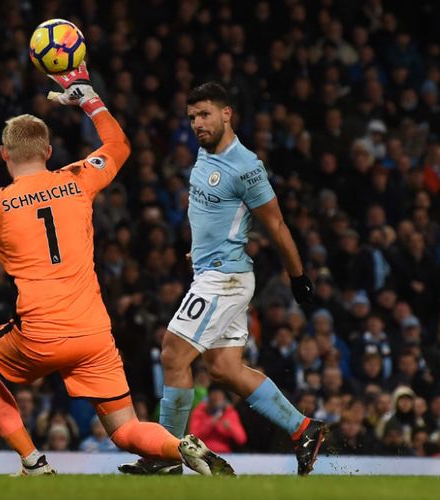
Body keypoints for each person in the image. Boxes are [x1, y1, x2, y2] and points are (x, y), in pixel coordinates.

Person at [0, 64, 231, 476]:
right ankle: (181, 445)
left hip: (40, 332)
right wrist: (90, 99)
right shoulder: (78, 179)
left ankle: (33, 462)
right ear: (47, 152)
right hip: (94, 332)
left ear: (4, 154)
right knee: (125, 428)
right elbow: (119, 145)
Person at [120, 82, 325, 476]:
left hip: (224, 279)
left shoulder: (246, 167)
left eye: (205, 114)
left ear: (227, 113)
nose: (197, 124)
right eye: (192, 117)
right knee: (224, 369)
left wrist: (297, 276)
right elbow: (217, 217)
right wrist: (198, 250)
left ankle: (166, 456)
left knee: (173, 354)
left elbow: (277, 225)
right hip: (212, 270)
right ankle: (303, 429)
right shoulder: (205, 151)